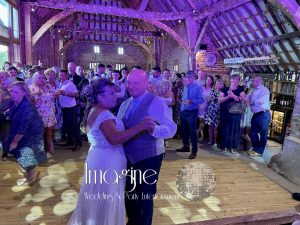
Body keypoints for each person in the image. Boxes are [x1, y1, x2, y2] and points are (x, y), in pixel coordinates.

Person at [68, 78, 156, 225]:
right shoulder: (104, 115)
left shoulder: (95, 110)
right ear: (100, 96)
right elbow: (114, 138)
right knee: (106, 198)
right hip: (107, 163)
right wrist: (141, 126)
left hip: (99, 158)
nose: (116, 95)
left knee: (98, 198)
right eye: (112, 93)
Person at [117, 69, 176, 225]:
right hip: (128, 157)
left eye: (135, 83)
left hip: (149, 158)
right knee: (129, 194)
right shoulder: (125, 104)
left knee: (144, 196)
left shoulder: (156, 102)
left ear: (146, 84)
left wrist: (154, 129)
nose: (131, 86)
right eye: (129, 82)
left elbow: (171, 128)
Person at [5, 82, 46, 185]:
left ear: (24, 93)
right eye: (12, 91)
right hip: (20, 130)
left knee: (24, 154)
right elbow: (11, 111)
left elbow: (23, 128)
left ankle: (31, 176)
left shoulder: (27, 107)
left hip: (32, 132)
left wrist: (14, 142)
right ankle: (29, 174)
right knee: (19, 154)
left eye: (16, 92)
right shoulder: (13, 102)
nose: (13, 94)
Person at [176, 71, 204, 159]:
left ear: (193, 78)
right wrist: (181, 109)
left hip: (192, 112)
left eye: (190, 77)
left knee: (192, 132)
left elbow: (202, 100)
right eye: (187, 77)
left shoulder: (198, 87)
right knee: (184, 131)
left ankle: (194, 151)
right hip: (184, 111)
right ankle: (186, 147)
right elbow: (184, 98)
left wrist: (192, 101)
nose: (188, 79)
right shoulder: (185, 86)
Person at [218, 74, 245, 154]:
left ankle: (232, 147)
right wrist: (228, 97)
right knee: (225, 129)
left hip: (235, 113)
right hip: (225, 112)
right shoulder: (225, 89)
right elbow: (219, 100)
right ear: (231, 80)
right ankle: (225, 146)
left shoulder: (240, 89)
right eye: (234, 80)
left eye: (237, 80)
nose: (235, 81)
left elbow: (242, 99)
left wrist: (233, 96)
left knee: (234, 130)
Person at [246, 76, 271, 157]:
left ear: (259, 82)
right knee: (253, 132)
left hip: (263, 114)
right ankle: (255, 148)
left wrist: (251, 102)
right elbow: (247, 97)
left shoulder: (265, 90)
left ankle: (260, 151)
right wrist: (247, 100)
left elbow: (260, 101)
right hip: (256, 114)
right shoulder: (253, 90)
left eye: (254, 81)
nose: (252, 82)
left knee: (263, 133)